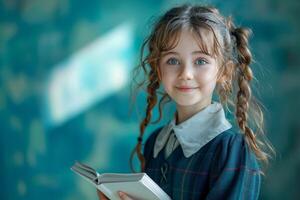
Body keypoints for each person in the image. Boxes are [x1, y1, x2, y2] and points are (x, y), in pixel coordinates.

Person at [98, 4, 274, 200]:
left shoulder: (231, 152)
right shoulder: (155, 144)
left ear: (225, 72)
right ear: (158, 69)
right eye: (173, 61)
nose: (186, 74)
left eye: (200, 61)